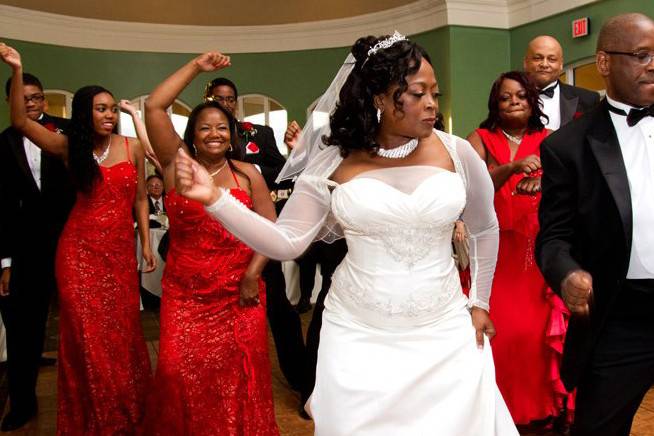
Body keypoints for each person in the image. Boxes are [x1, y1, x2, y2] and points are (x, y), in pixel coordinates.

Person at [175, 33, 518, 435]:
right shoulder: (335, 162)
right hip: (358, 334)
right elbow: (286, 242)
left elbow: (484, 227)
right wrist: (217, 199)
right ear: (379, 98)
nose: (431, 105)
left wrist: (479, 301)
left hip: (443, 329)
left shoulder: (457, 152)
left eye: (435, 94)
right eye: (418, 93)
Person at [0, 43, 155, 434]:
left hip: (119, 254)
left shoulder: (131, 146)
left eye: (110, 108)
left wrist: (147, 246)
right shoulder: (70, 147)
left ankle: (123, 410)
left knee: (119, 335)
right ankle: (92, 414)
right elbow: (20, 122)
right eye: (100, 108)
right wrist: (18, 69)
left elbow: (139, 198)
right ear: (86, 113)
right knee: (85, 337)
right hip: (78, 253)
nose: (107, 114)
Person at [143, 51, 279, 435]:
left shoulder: (248, 174)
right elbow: (155, 106)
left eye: (222, 127)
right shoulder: (177, 166)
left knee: (238, 374)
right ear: (192, 134)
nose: (214, 134)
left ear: (232, 133)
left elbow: (270, 228)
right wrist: (195, 68)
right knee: (175, 371)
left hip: (239, 293)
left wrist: (253, 274)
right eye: (205, 127)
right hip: (185, 295)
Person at [536, 13, 654, 436]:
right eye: (641, 55)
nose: (653, 64)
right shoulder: (567, 147)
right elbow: (553, 238)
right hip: (620, 317)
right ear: (603, 62)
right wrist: (566, 273)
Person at [467, 71, 571, 427]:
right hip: (494, 250)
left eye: (521, 96)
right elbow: (473, 189)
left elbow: (568, 188)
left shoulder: (552, 139)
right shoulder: (478, 140)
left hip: (536, 250)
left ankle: (539, 409)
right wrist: (511, 168)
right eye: (506, 97)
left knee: (533, 335)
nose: (514, 102)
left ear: (532, 102)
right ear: (495, 104)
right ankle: (493, 411)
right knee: (500, 333)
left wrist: (539, 181)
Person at [205, 77, 308, 403]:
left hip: (258, 237)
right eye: (218, 98)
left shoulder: (257, 133)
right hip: (217, 240)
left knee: (281, 310)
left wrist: (247, 171)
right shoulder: (200, 134)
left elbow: (281, 171)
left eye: (230, 98)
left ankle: (300, 376)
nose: (225, 103)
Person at [0, 73, 75, 431]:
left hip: (72, 243)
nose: (32, 103)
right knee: (22, 331)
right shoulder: (2, 144)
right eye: (23, 98)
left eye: (37, 97)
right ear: (10, 102)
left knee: (84, 326)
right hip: (26, 250)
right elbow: (0, 207)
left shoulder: (68, 133)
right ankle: (22, 404)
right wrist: (6, 262)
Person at [523, 35, 599, 130]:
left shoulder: (587, 99)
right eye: (538, 58)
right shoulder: (510, 99)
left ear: (561, 64)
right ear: (525, 63)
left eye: (552, 59)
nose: (544, 64)